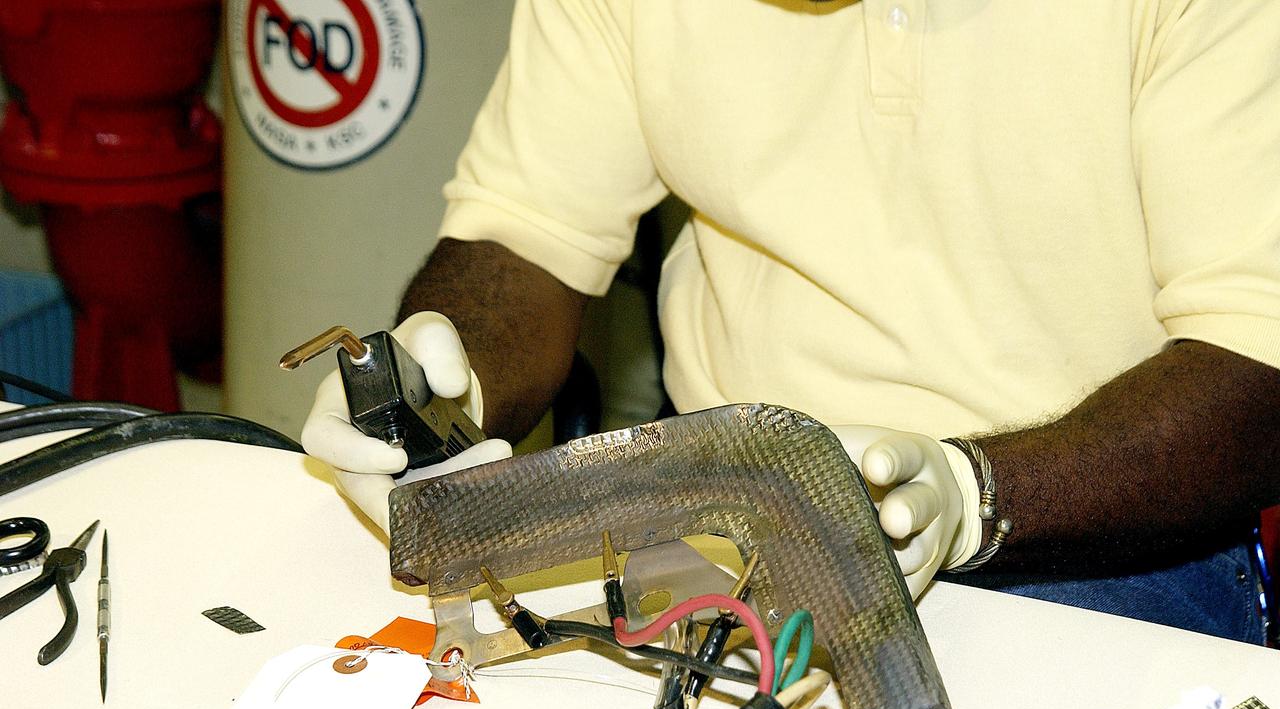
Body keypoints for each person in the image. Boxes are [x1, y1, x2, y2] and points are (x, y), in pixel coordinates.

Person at [302, 0, 1280, 643]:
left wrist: (972, 494)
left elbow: (1256, 362)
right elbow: (527, 233)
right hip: (716, 524)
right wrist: (446, 375)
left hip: (1097, 546)